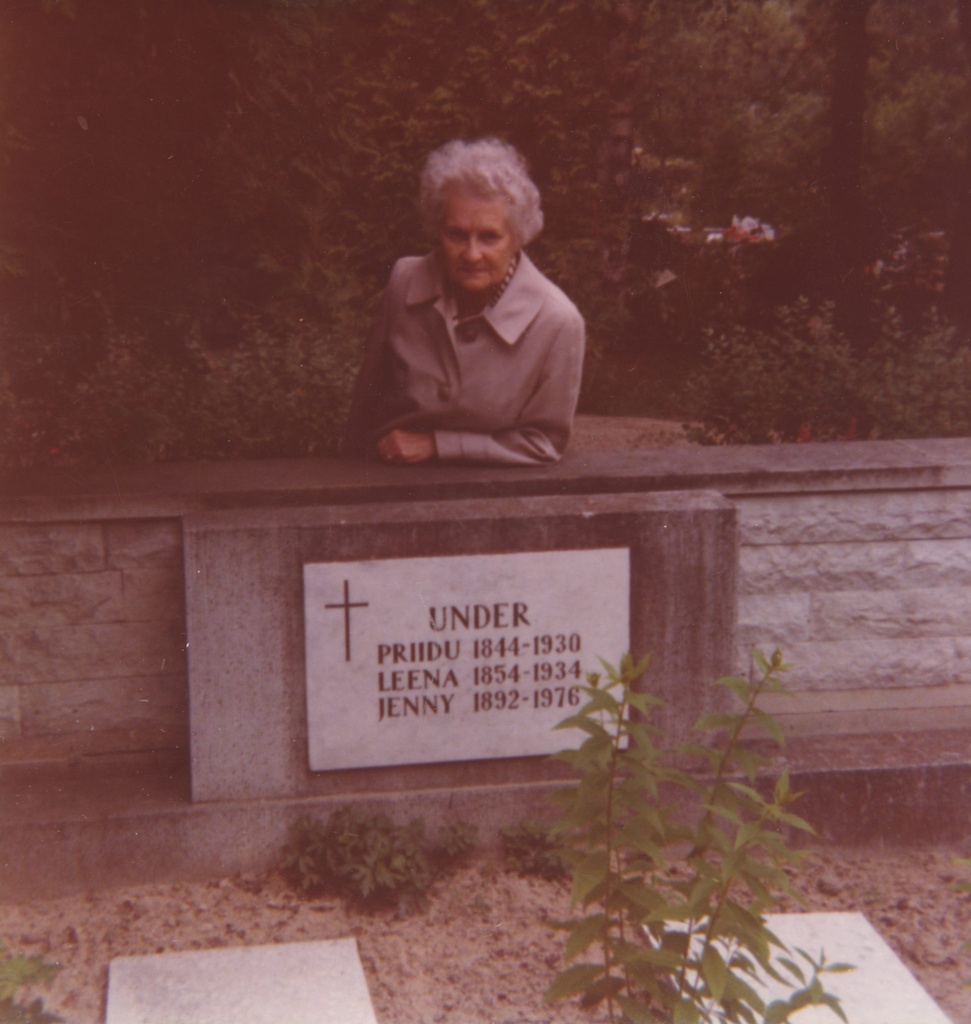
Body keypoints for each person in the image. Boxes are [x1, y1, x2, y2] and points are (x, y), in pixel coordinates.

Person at [342, 137, 585, 465]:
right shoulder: (405, 281)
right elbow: (364, 408)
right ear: (437, 229)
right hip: (390, 481)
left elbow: (544, 443)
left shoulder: (557, 322)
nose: (471, 254)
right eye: (456, 235)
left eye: (489, 237)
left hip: (496, 495)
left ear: (517, 237)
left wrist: (438, 444)